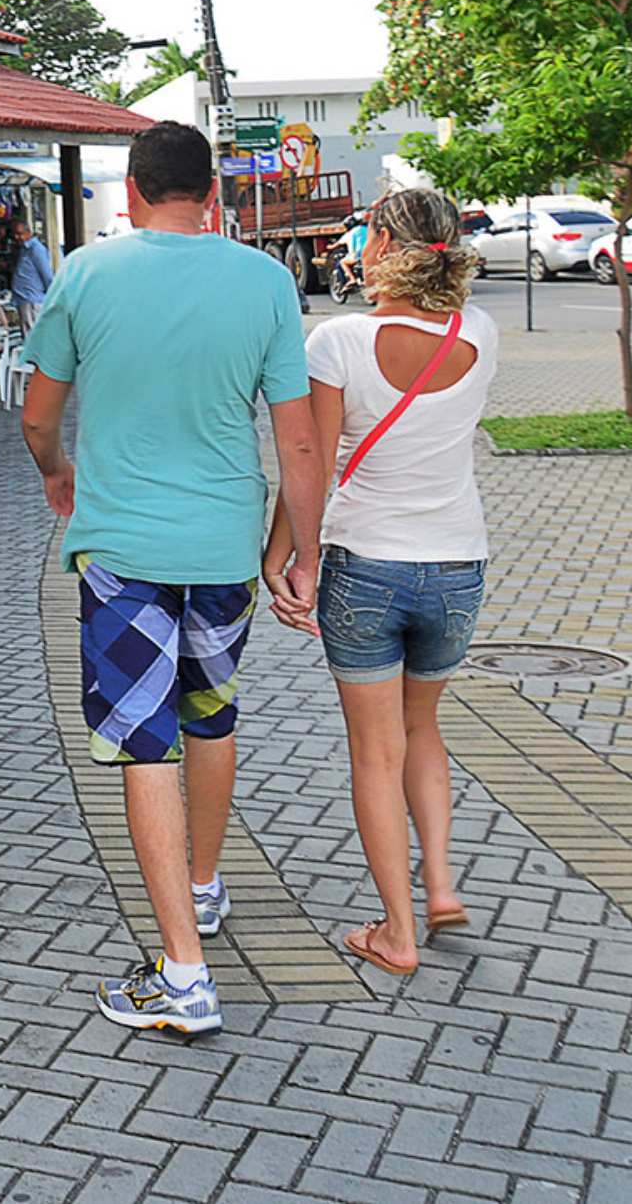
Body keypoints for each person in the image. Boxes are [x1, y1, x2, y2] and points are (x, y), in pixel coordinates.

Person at [17, 121, 326, 1039]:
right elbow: (301, 440)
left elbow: (38, 417)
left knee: (142, 739)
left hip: (124, 551)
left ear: (134, 192)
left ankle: (183, 975)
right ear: (213, 197)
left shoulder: (86, 274)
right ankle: (204, 885)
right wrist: (301, 551)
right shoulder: (266, 281)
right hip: (226, 543)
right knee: (211, 711)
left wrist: (55, 471)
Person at [265, 188, 497, 977]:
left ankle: (396, 932)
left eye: (366, 236)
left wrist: (289, 558)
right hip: (459, 565)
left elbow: (311, 465)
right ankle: (440, 886)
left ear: (384, 247)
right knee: (424, 729)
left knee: (375, 750)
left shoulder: (338, 342)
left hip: (366, 564)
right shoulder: (481, 332)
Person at [9, 219, 55, 323]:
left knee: (32, 337)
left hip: (32, 301)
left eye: (20, 234)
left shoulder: (36, 249)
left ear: (28, 233)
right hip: (25, 300)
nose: (17, 237)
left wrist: (52, 297)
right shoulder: (24, 249)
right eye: (15, 234)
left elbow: (47, 275)